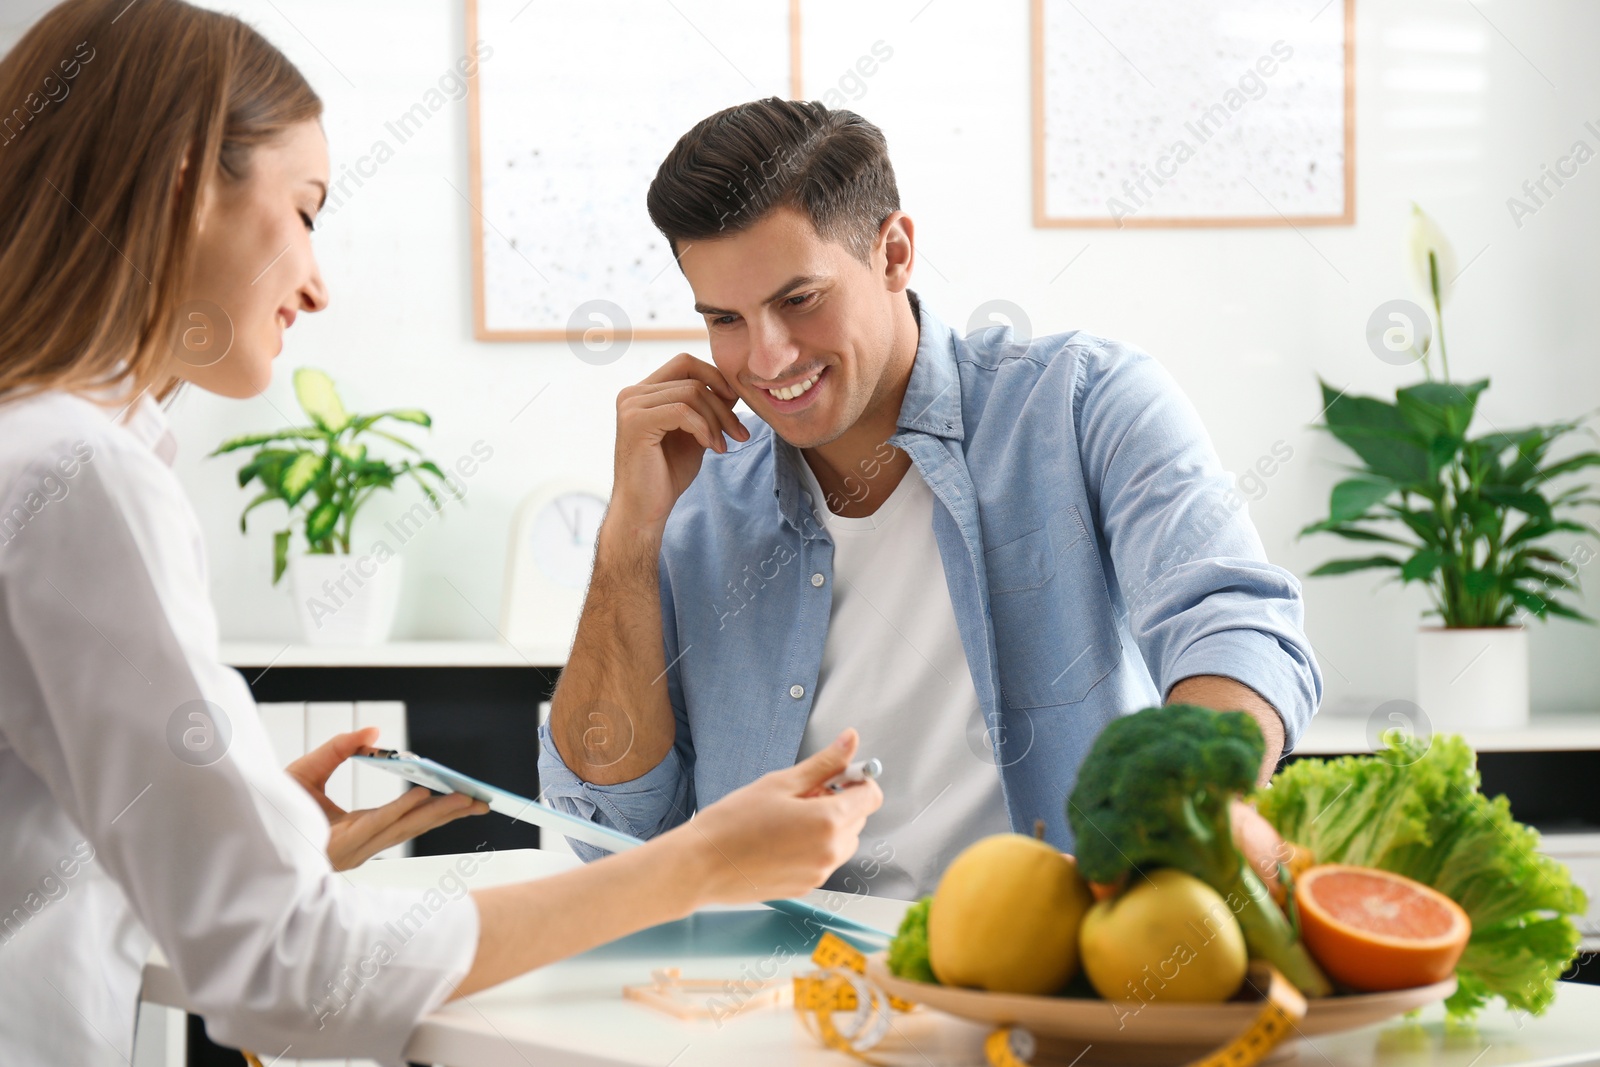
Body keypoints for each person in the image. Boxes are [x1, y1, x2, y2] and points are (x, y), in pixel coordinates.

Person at [0, 6, 881, 1065]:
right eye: (307, 210)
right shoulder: (77, 475)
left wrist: (230, 850)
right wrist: (696, 863)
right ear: (189, 183)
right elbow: (290, 973)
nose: (317, 286)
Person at [540, 98, 1322, 902]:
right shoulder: (698, 499)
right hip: (788, 989)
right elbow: (612, 833)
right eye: (726, 319)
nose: (767, 357)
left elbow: (1234, 624)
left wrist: (1176, 821)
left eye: (799, 299)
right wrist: (628, 537)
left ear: (894, 253)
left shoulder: (1086, 405)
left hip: (1055, 967)